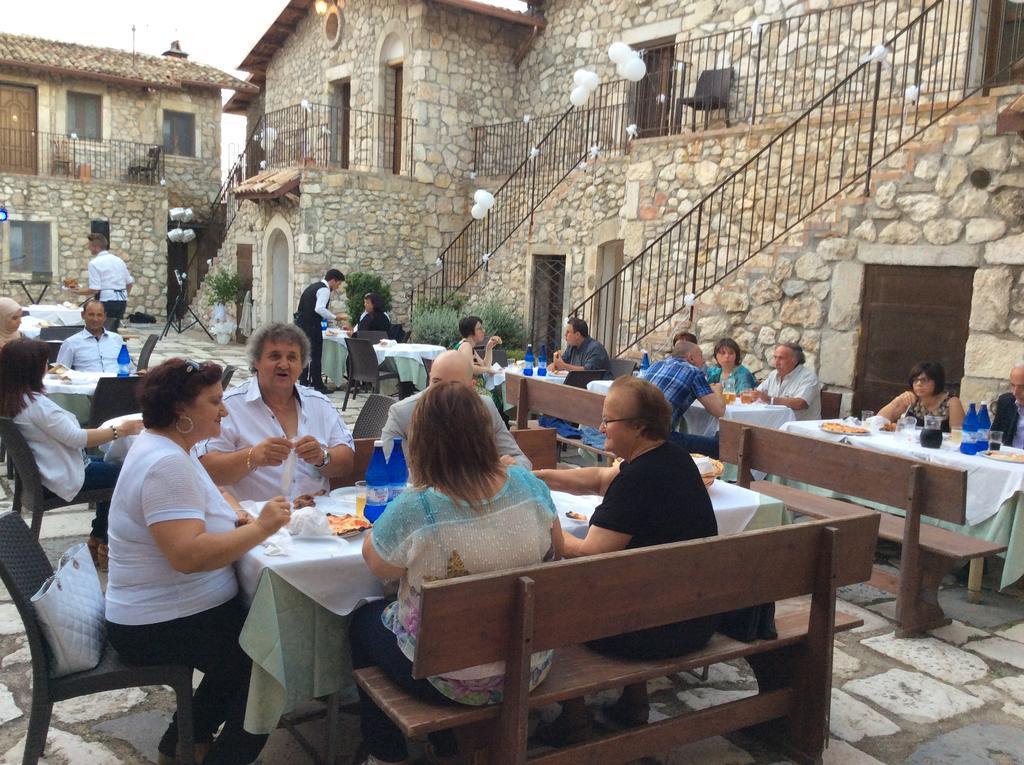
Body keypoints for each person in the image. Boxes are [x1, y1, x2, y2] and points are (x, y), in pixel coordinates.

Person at [351, 382, 560, 764]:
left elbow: (378, 566)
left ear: (423, 440)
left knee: (361, 622)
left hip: (452, 680)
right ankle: (446, 742)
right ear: (485, 434)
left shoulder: (417, 507)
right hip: (531, 664)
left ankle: (386, 754)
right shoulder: (530, 484)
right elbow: (556, 548)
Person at [104, 358, 291, 765]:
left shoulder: (170, 447)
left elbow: (208, 493)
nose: (224, 410)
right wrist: (261, 528)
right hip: (156, 622)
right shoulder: (166, 463)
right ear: (181, 410)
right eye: (215, 401)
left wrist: (234, 515)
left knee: (254, 636)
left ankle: (183, 740)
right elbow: (186, 557)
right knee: (271, 659)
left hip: (169, 610)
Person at [534, 376, 717, 742]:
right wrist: (534, 477)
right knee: (630, 587)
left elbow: (588, 554)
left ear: (639, 427)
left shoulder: (638, 480)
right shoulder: (674, 459)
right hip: (695, 616)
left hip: (654, 632)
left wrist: (544, 524)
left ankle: (574, 718)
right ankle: (633, 704)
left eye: (608, 420)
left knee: (551, 600)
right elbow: (601, 476)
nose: (600, 427)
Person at [0, 338, 143, 570]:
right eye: (44, 364)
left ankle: (98, 538)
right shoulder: (37, 406)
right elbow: (77, 438)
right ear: (32, 369)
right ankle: (107, 544)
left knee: (113, 463)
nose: (47, 368)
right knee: (127, 474)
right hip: (63, 474)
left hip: (48, 470)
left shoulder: (12, 399)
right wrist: (120, 430)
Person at [197, 323, 355, 502]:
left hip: (317, 517)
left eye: (292, 357)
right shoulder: (230, 406)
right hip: (255, 522)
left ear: (301, 365)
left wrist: (322, 457)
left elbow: (347, 461)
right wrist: (253, 457)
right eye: (275, 356)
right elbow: (206, 467)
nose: (284, 364)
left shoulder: (319, 404)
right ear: (256, 362)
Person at [381, 350, 530, 468]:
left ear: (471, 387)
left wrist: (510, 468)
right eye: (437, 382)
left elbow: (521, 460)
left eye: (453, 386)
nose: (442, 391)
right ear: (429, 379)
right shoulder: (402, 413)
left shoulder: (486, 408)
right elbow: (393, 473)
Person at [642, 339, 724, 457]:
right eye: (701, 356)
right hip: (659, 438)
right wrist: (718, 391)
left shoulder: (656, 365)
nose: (704, 361)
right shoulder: (693, 372)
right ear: (691, 358)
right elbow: (719, 411)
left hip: (636, 431)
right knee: (719, 446)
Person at [294, 268, 346, 392]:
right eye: (338, 284)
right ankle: (318, 384)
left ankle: (304, 381)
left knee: (305, 353)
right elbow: (319, 309)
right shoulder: (324, 290)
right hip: (311, 325)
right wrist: (335, 317)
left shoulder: (313, 287)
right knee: (316, 355)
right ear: (333, 280)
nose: (338, 287)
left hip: (301, 323)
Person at [877, 361, 965, 432]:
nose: (919, 384)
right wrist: (897, 401)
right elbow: (878, 421)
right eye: (915, 380)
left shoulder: (951, 402)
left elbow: (958, 434)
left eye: (924, 380)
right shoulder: (911, 399)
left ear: (936, 382)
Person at [55, 299, 132, 373]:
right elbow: (60, 371)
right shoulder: (71, 343)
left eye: (99, 315)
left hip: (116, 383)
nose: (95, 319)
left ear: (105, 317)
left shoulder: (117, 339)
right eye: (91, 315)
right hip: (87, 385)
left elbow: (128, 367)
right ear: (83, 315)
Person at [751, 343, 821, 420]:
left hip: (799, 427)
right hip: (775, 422)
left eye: (781, 358)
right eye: (775, 357)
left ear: (795, 361)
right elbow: (759, 393)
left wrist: (770, 399)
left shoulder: (808, 377)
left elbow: (801, 403)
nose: (776, 363)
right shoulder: (773, 374)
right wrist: (752, 395)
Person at [71, 232, 134, 319]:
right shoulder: (119, 260)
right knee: (114, 329)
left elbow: (95, 289)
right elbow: (129, 283)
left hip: (106, 301)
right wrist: (125, 296)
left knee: (101, 328)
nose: (89, 248)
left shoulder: (94, 263)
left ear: (96, 247)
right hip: (121, 301)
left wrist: (79, 292)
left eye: (90, 246)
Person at [992, 363, 1024, 447]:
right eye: (1013, 385)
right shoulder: (1006, 402)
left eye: (1022, 387)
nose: (1015, 392)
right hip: (1007, 457)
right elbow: (994, 437)